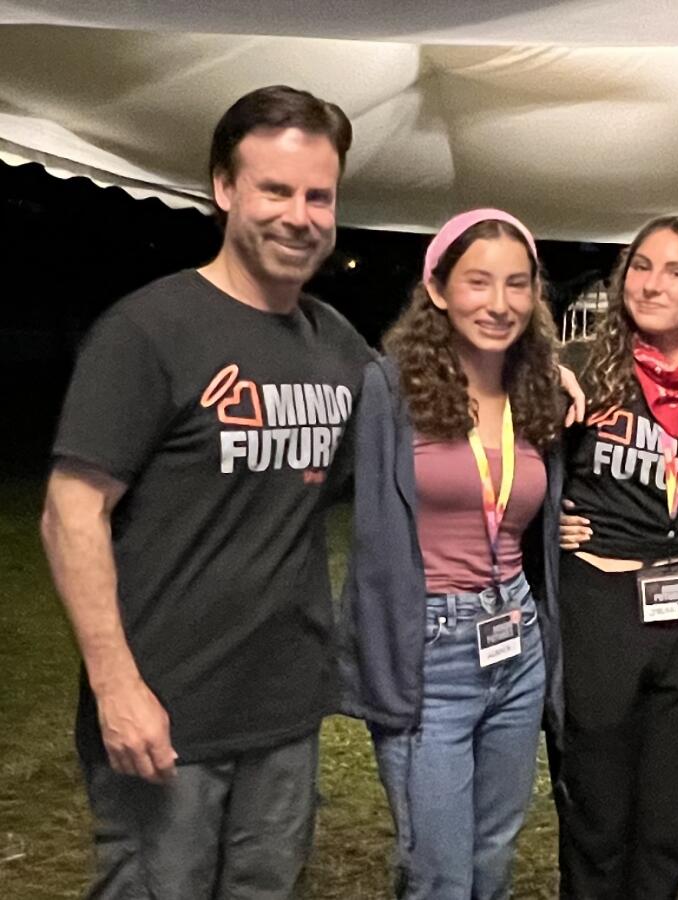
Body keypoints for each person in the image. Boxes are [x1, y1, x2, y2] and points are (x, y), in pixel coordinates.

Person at [40, 85, 374, 898]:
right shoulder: (150, 330)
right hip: (164, 717)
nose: (300, 215)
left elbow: (424, 434)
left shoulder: (336, 345)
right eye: (276, 190)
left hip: (285, 713)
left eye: (318, 196)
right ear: (225, 189)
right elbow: (69, 511)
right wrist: (117, 690)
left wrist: (550, 388)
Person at [337, 209, 566, 900]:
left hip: (516, 642)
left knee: (494, 855)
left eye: (517, 285)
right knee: (439, 870)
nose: (499, 304)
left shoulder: (537, 393)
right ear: (437, 289)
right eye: (478, 282)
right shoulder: (387, 389)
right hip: (426, 649)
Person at [555, 214, 678, 899]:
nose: (652, 283)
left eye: (676, 271)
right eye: (641, 265)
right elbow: (507, 469)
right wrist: (543, 522)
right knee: (597, 816)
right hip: (601, 607)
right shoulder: (578, 369)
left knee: (667, 821)